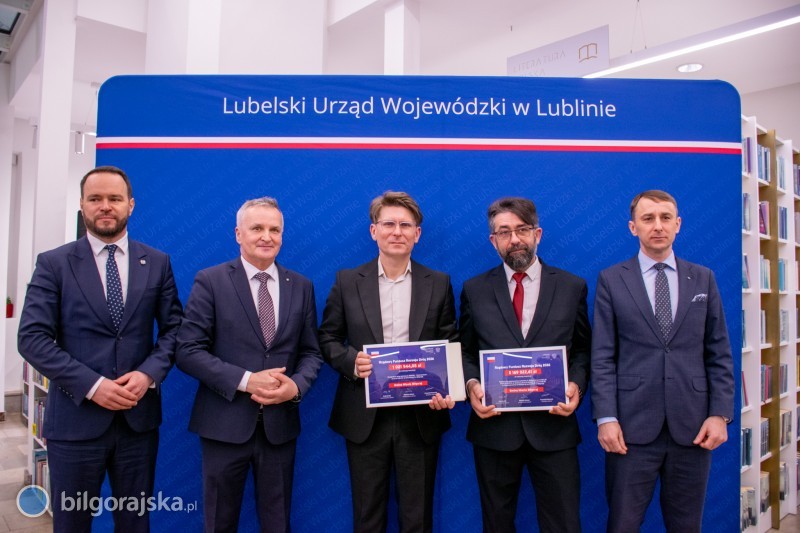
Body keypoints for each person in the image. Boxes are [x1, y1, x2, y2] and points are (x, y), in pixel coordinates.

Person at [17, 165, 183, 532]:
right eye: (95, 199)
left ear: (130, 205)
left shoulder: (157, 263)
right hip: (75, 424)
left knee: (134, 522)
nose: (105, 206)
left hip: (137, 424)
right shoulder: (54, 264)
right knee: (72, 524)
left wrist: (148, 374)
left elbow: (175, 330)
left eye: (114, 198)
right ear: (82, 205)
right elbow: (32, 338)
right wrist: (93, 386)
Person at [175, 197, 323, 533]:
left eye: (275, 230)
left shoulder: (301, 286)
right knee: (219, 523)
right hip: (223, 427)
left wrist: (296, 386)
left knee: (278, 523)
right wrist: (245, 380)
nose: (267, 237)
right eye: (257, 228)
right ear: (238, 234)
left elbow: (311, 352)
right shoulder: (211, 281)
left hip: (279, 429)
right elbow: (187, 350)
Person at [591, 189, 734, 532]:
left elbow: (719, 353)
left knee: (686, 526)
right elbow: (602, 356)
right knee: (622, 524)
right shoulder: (612, 279)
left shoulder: (703, 278)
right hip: (630, 429)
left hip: (694, 428)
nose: (658, 225)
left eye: (666, 218)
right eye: (648, 218)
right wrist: (606, 418)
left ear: (678, 224)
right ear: (633, 227)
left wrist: (720, 414)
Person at [318, 191, 458, 533]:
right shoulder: (347, 281)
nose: (397, 232)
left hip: (421, 416)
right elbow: (327, 337)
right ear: (374, 231)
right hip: (364, 416)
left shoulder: (439, 283)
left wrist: (450, 388)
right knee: (367, 517)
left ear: (417, 234)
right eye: (389, 224)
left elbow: (450, 342)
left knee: (417, 518)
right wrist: (351, 362)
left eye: (406, 225)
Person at [459, 196, 591, 533]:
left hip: (554, 427)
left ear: (537, 234)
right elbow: (465, 352)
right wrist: (472, 386)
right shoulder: (474, 290)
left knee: (563, 524)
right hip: (494, 429)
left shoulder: (572, 286)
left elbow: (583, 350)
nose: (514, 239)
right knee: (497, 525)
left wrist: (576, 386)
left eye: (522, 229)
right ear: (493, 241)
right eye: (504, 232)